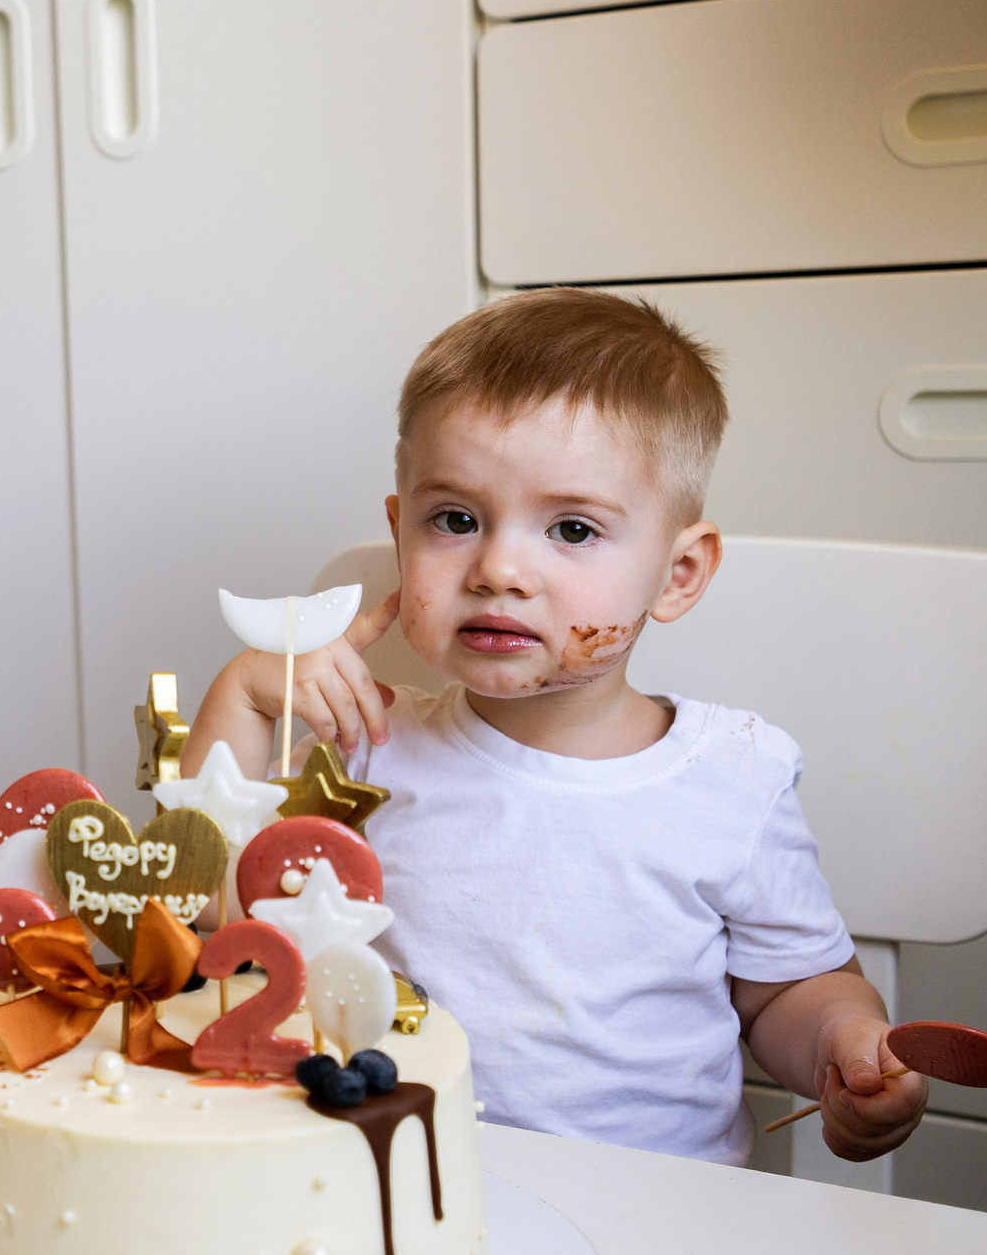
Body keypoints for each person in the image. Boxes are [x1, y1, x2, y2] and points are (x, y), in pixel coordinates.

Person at [185, 288, 923, 1169]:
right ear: (400, 529)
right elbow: (206, 927)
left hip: (659, 1212)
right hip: (395, 1186)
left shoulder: (734, 777)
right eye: (454, 520)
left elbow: (785, 994)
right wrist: (244, 701)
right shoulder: (363, 746)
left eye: (572, 529)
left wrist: (845, 1041)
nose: (499, 568)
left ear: (678, 574)